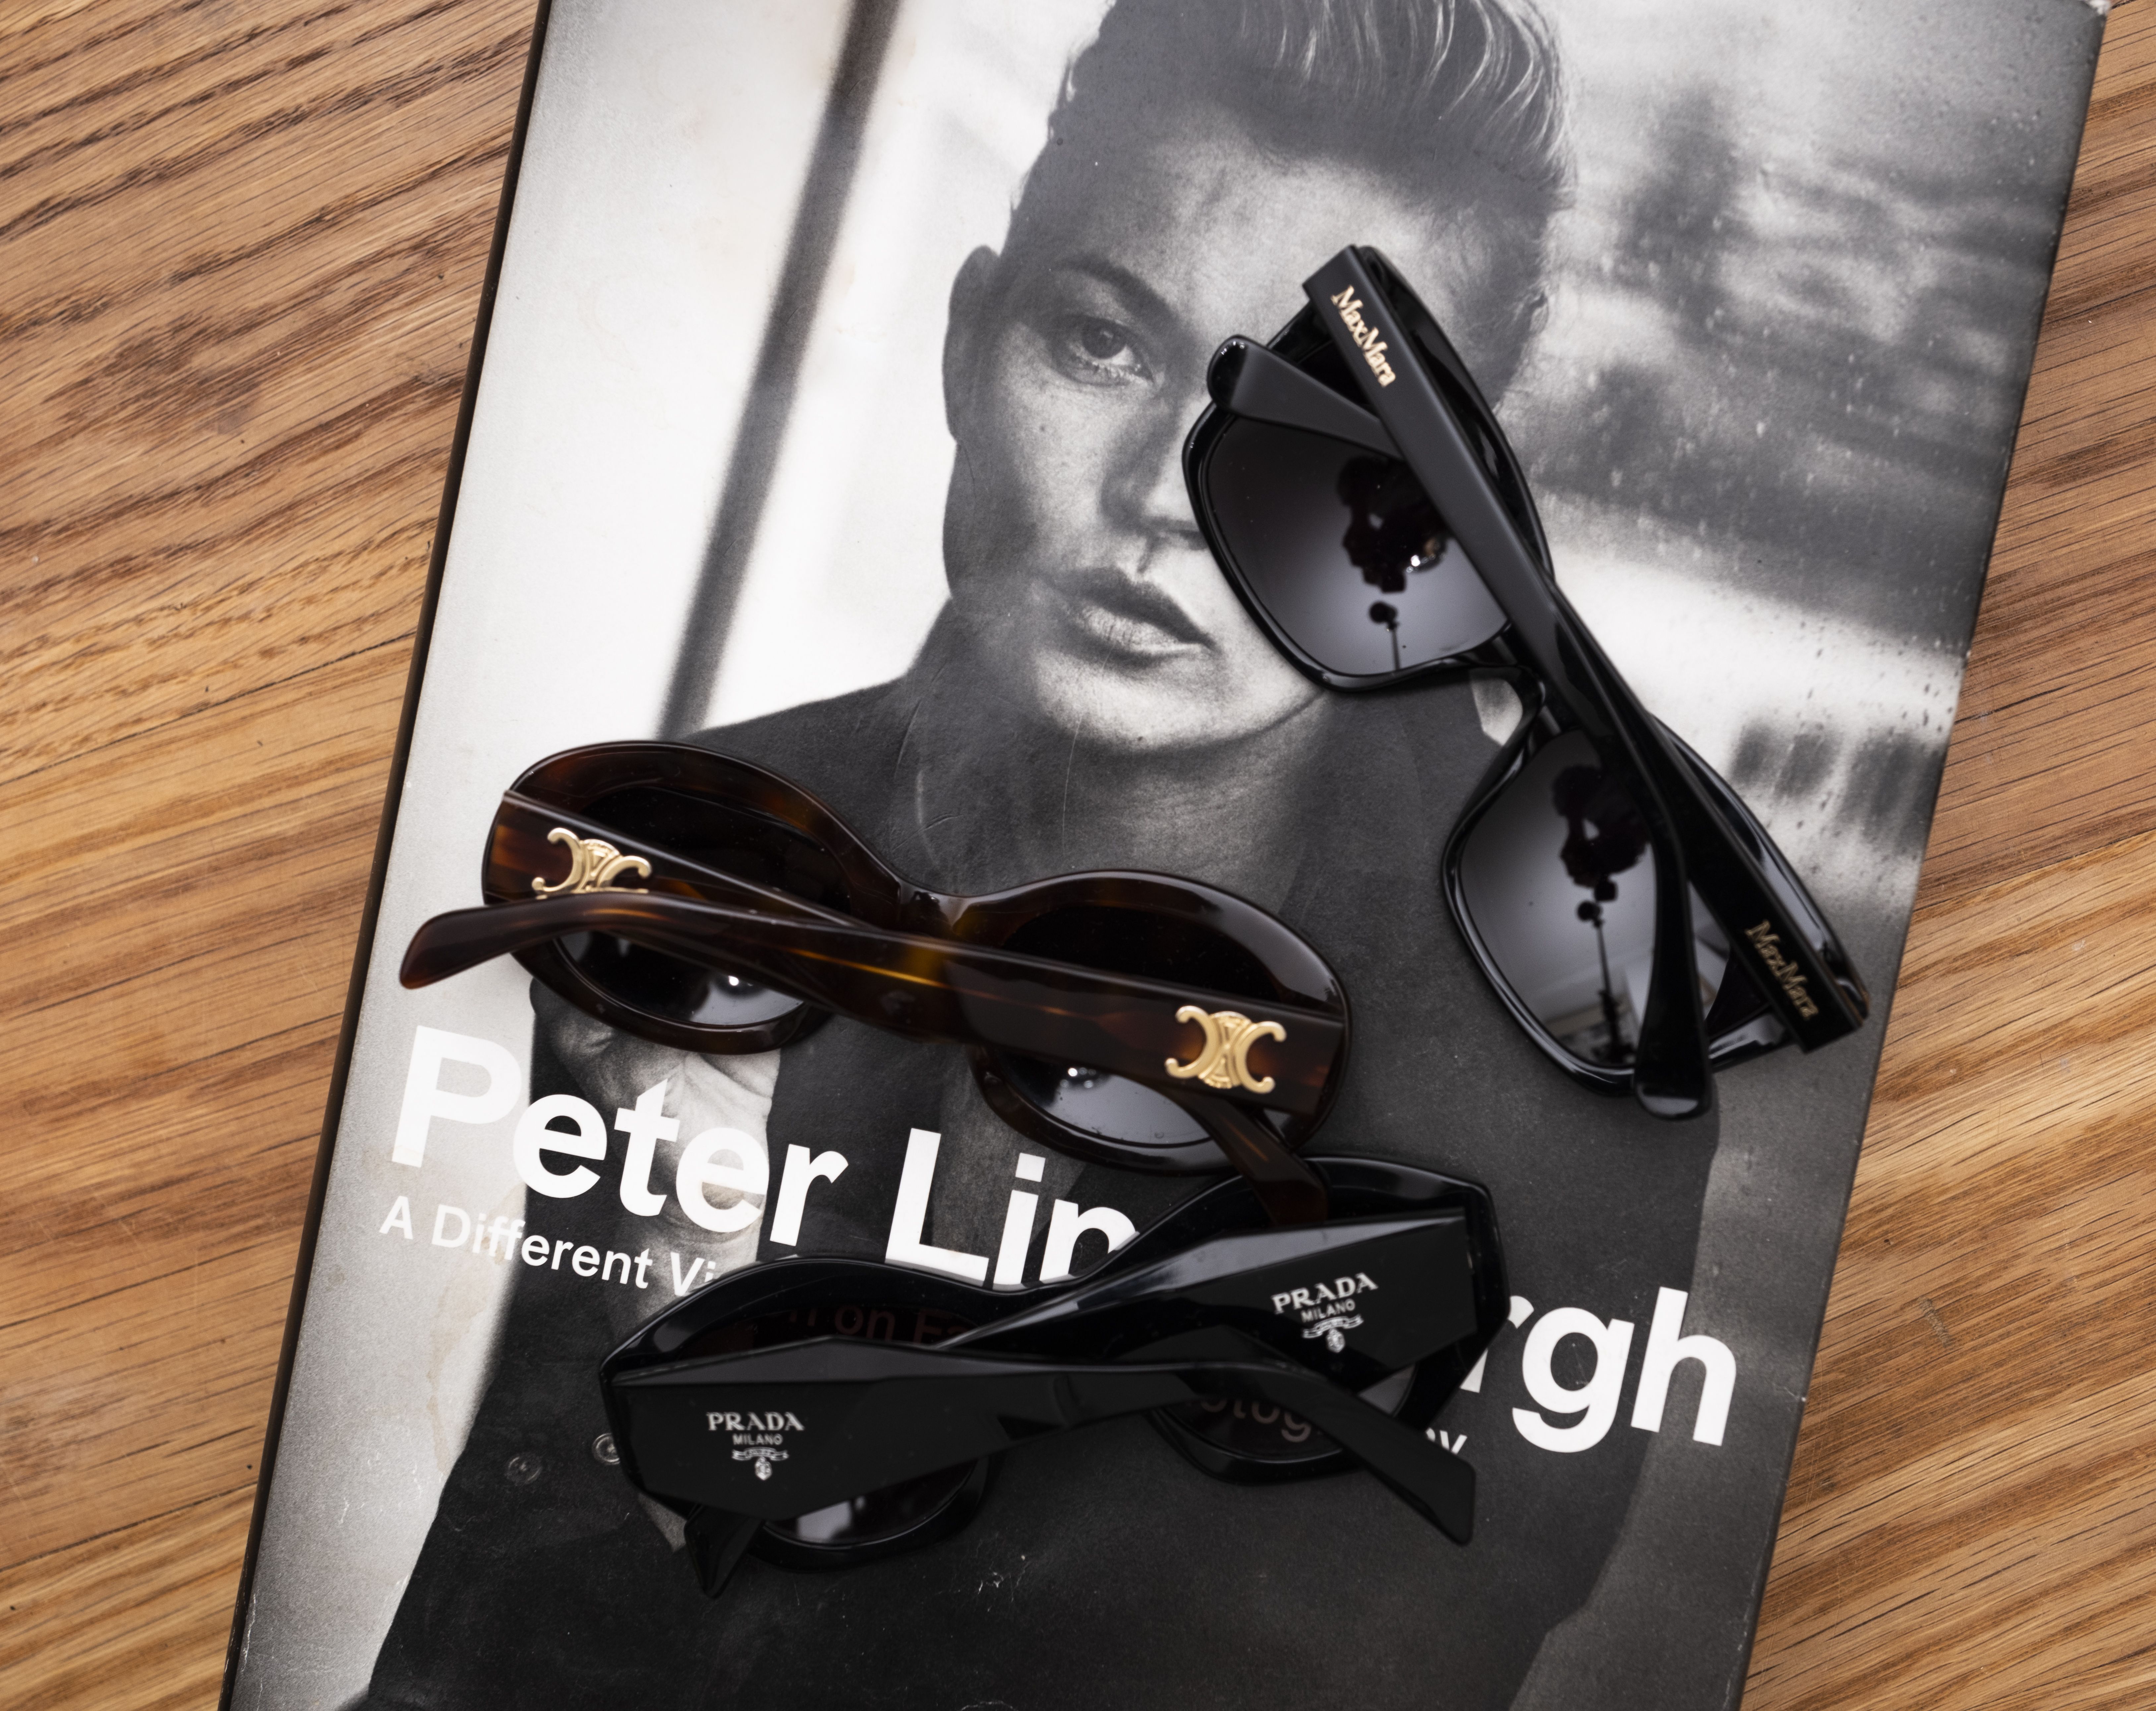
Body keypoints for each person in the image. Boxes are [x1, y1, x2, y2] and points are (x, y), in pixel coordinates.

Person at [368, 3, 1720, 1705]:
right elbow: (493, 1610)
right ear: (965, 345)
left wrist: (704, 1334)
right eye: (1102, 345)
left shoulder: (1569, 1047)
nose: (1167, 498)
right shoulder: (695, 835)